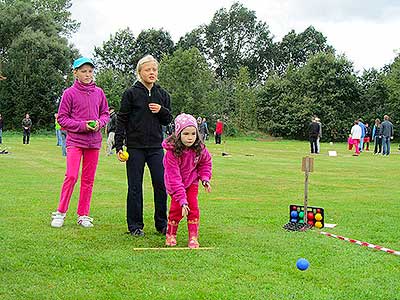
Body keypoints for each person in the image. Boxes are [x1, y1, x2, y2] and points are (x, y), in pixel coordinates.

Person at [115, 54, 173, 237]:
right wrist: (118, 145)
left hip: (156, 147)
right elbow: (122, 119)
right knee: (134, 187)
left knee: (161, 185)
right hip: (135, 147)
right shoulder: (131, 93)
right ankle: (135, 226)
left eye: (154, 69)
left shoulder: (162, 94)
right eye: (148, 69)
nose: (152, 72)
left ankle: (162, 224)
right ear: (140, 72)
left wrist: (161, 110)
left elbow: (167, 119)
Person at [50, 57, 109, 228]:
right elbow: (62, 119)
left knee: (88, 179)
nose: (87, 74)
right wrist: (82, 126)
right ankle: (60, 212)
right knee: (72, 176)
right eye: (83, 71)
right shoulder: (69, 93)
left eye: (90, 71)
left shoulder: (99, 92)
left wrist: (100, 122)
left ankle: (83, 215)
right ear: (75, 73)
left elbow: (105, 114)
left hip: (94, 143)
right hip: (75, 141)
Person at [163, 113, 212, 248]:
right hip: (175, 185)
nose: (190, 137)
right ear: (178, 134)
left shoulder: (199, 149)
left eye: (193, 134)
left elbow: (205, 163)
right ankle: (171, 234)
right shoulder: (171, 153)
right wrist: (182, 201)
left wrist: (205, 178)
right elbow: (174, 178)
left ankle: (193, 237)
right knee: (176, 209)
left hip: (192, 182)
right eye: (186, 134)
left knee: (193, 208)